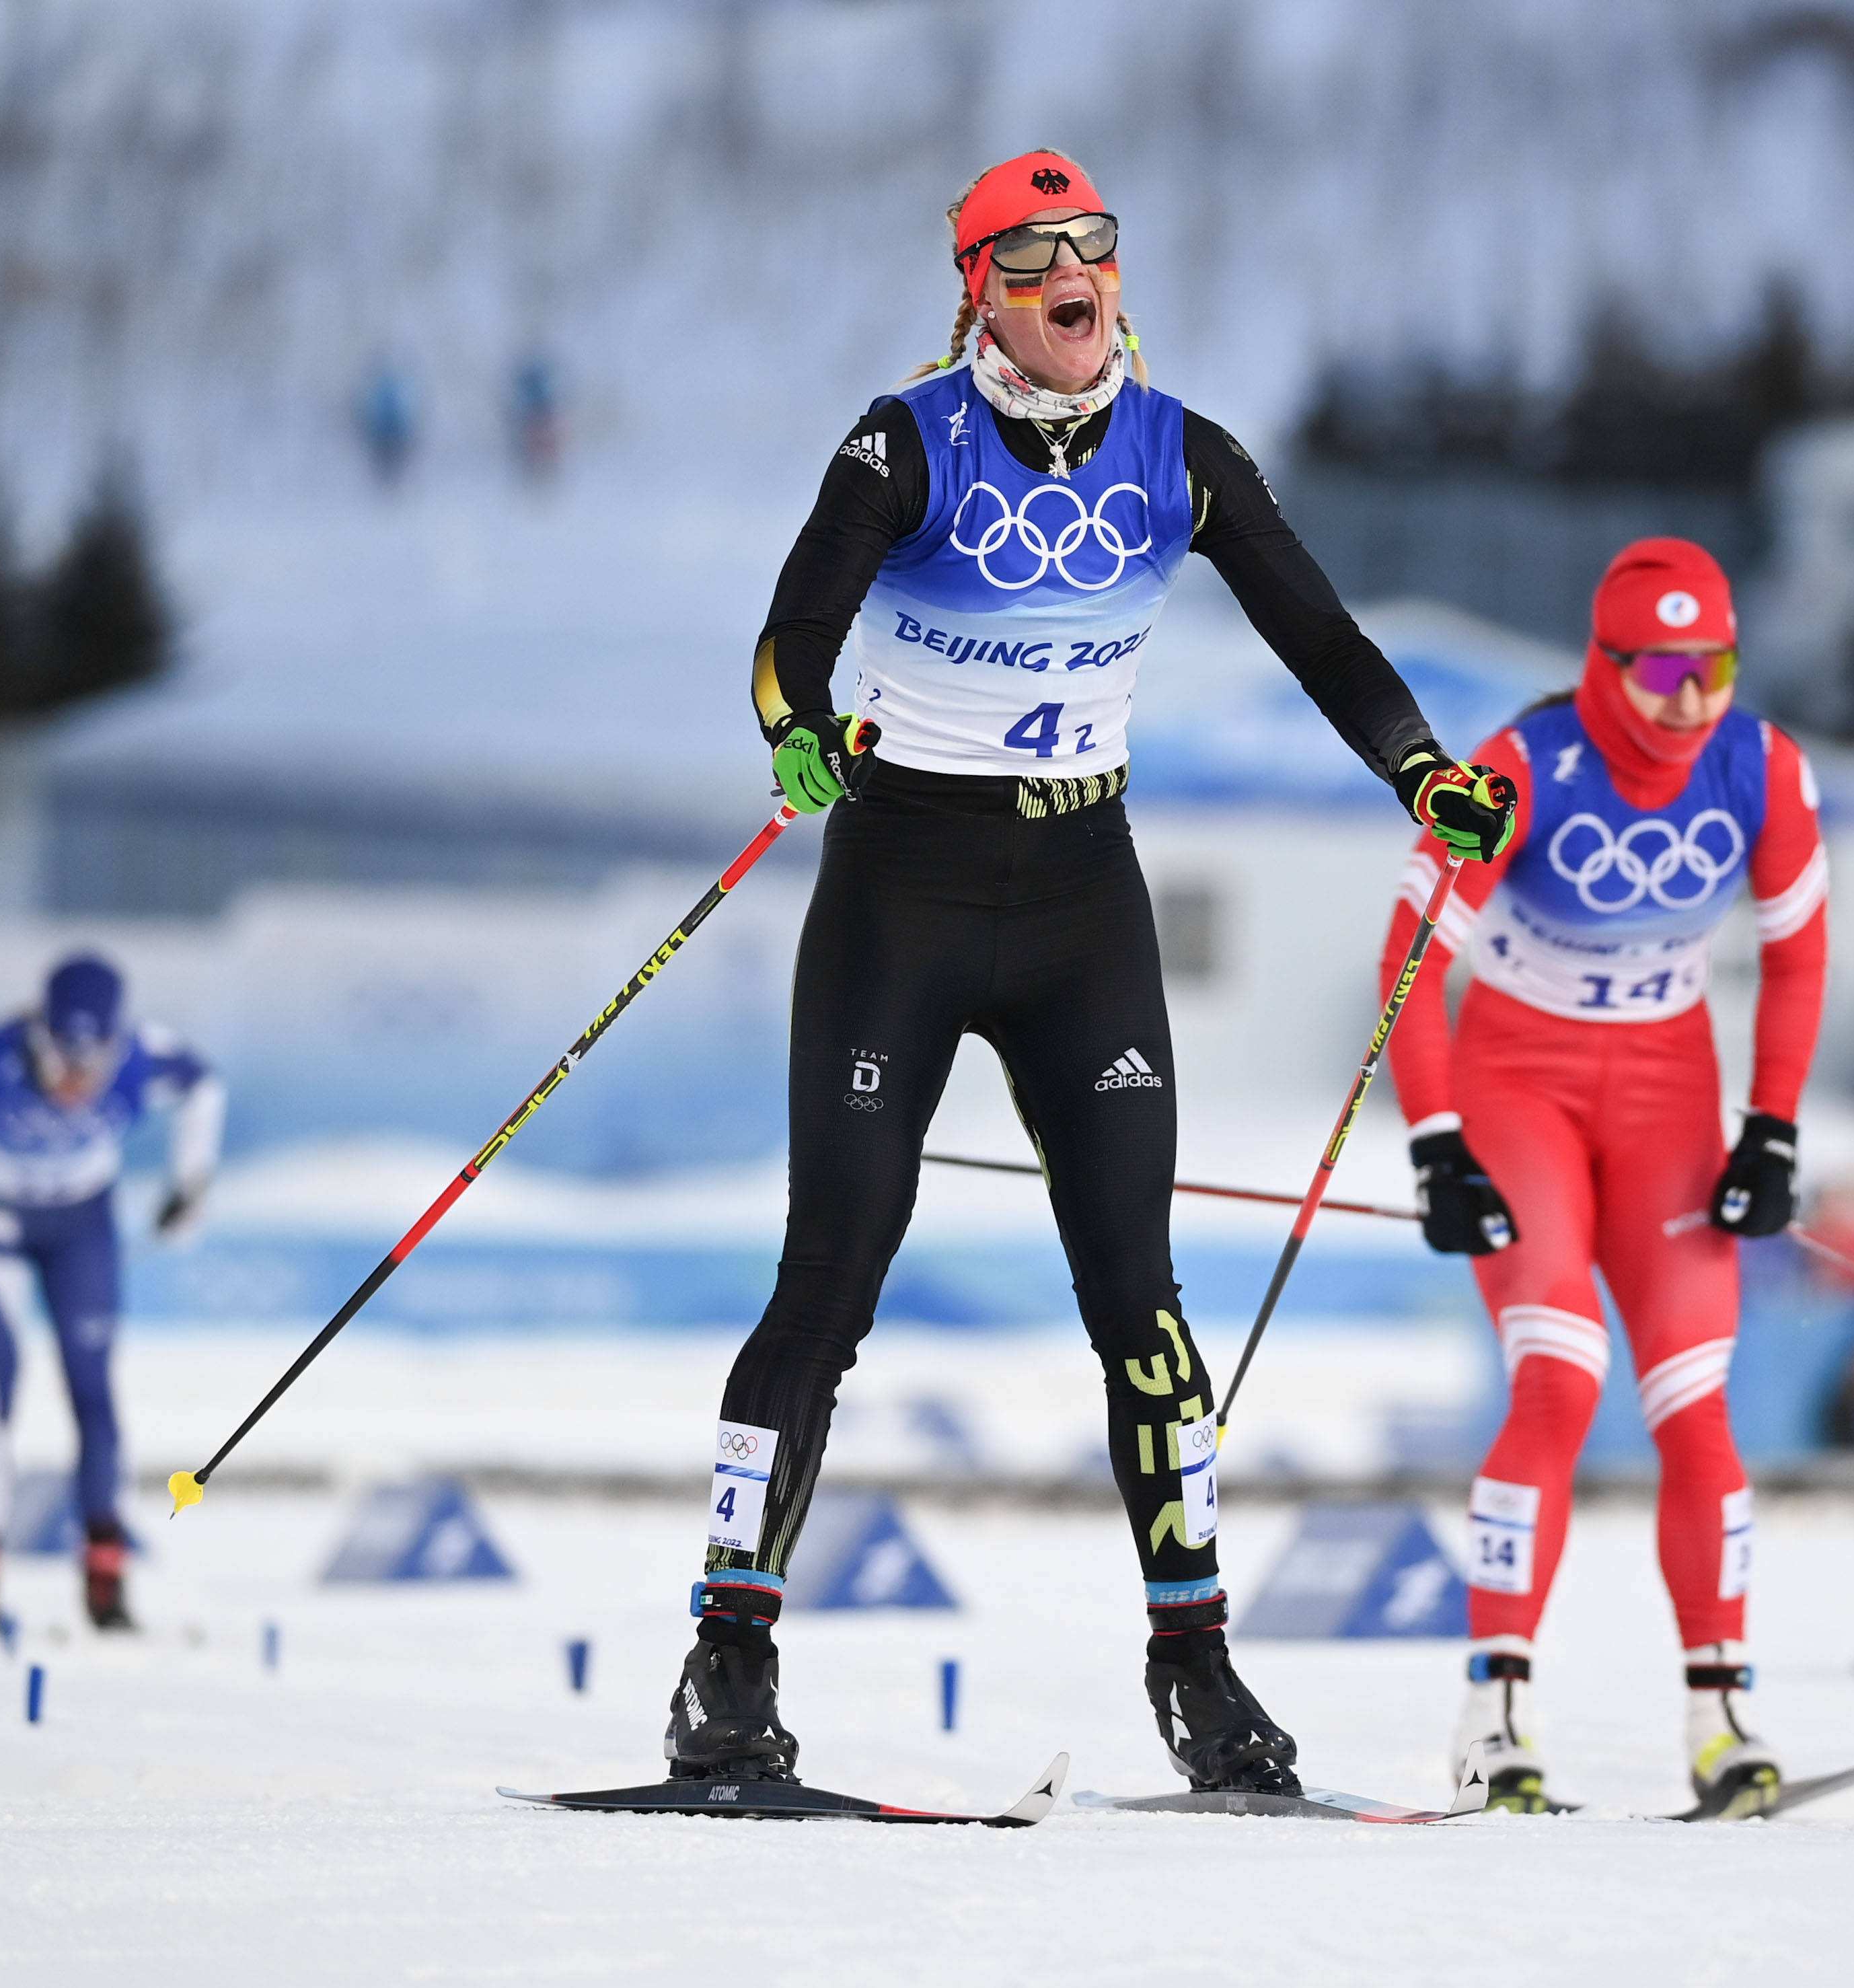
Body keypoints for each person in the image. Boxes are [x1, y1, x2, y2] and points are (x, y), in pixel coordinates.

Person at [674, 149, 1517, 1797]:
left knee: (1141, 1306)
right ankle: (727, 1663)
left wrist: (1421, 770)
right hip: (901, 894)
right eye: (1038, 253)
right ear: (983, 287)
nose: (1078, 276)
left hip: (1079, 907)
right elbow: (796, 625)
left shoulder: (1180, 456)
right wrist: (792, 732)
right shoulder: (904, 440)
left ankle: (1196, 1672)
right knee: (825, 1288)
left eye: (1099, 247)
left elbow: (1324, 640)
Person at [1378, 539, 1829, 1814]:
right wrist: (1438, 1141)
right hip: (1519, 1085)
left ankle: (1719, 1715)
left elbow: (1798, 961)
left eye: (1716, 669)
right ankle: (1495, 1717)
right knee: (1562, 1376)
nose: (1692, 701)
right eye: (1663, 674)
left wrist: (1774, 1128)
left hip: (1667, 1101)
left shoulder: (1764, 768)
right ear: (1604, 664)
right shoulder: (1520, 767)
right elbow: (1407, 959)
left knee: (1695, 1399)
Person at [0, 953, 223, 1633]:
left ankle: (105, 1579)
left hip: (80, 1222)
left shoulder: (146, 1055)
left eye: (94, 1064)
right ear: (40, 1034)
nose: (76, 1080)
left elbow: (205, 1084)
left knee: (92, 1387)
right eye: (64, 1059)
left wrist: (190, 1185)